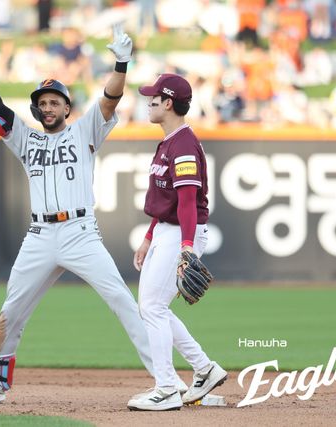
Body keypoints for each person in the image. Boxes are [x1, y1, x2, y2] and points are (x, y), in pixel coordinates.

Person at [0, 24, 186, 405]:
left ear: (67, 107)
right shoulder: (25, 138)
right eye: (42, 103)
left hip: (81, 232)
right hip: (39, 236)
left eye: (55, 102)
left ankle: (167, 380)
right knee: (9, 313)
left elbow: (110, 99)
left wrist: (121, 63)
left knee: (123, 301)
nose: (48, 107)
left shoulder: (84, 132)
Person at [126, 74, 227, 411]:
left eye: (153, 98)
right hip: (166, 230)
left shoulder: (183, 144)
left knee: (152, 307)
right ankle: (205, 369)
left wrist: (186, 246)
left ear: (168, 103)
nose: (148, 102)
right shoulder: (170, 140)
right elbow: (167, 201)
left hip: (182, 232)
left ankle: (167, 388)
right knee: (152, 307)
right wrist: (149, 237)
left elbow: (186, 201)